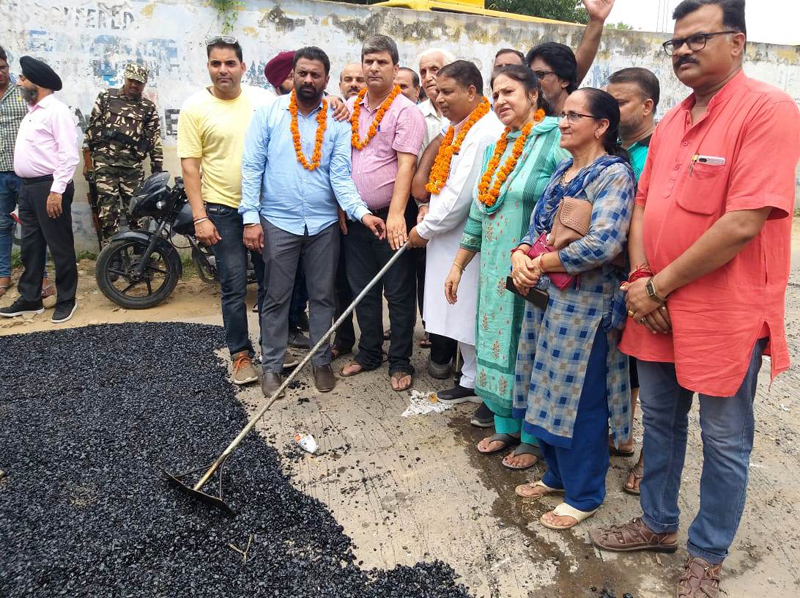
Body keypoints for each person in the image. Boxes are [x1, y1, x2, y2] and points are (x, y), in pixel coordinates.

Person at [589, 1, 800, 596]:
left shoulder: (768, 110)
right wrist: (638, 280)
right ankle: (657, 523)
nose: (681, 50)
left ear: (736, 42)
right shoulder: (676, 120)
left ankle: (707, 555)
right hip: (653, 301)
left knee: (725, 437)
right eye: (675, 42)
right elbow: (641, 204)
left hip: (722, 310)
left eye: (696, 38)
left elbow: (742, 223)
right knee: (659, 421)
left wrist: (656, 285)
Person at [510, 88, 635, 530]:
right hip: (547, 297)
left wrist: (539, 262)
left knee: (580, 399)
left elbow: (605, 243)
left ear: (601, 126)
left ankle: (585, 494)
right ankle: (558, 475)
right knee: (543, 385)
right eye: (563, 115)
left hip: (585, 308)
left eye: (574, 116)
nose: (562, 123)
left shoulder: (614, 176)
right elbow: (536, 226)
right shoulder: (565, 170)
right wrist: (520, 254)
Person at [240, 46, 385, 395]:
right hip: (277, 220)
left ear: (325, 79)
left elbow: (340, 176)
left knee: (323, 297)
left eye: (315, 74)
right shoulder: (269, 114)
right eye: (302, 73)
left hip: (323, 225)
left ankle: (320, 361)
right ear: (292, 74)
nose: (308, 80)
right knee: (276, 296)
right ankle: (272, 366)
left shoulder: (336, 120)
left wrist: (362, 213)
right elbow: (251, 168)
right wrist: (250, 218)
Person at [444, 65, 569, 463]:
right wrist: (459, 265)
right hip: (495, 273)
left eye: (509, 92)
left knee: (528, 349)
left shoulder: (555, 139)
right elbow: (481, 212)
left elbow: (564, 204)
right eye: (495, 94)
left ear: (534, 95)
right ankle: (505, 426)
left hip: (534, 270)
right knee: (496, 344)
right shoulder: (497, 145)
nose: (499, 101)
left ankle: (533, 438)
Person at [178, 36, 277, 386]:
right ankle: (240, 354)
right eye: (216, 64)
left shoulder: (263, 101)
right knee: (234, 286)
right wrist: (200, 216)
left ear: (242, 67)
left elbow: (299, 113)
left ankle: (272, 350)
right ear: (208, 67)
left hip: (266, 210)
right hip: (221, 212)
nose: (223, 70)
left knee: (271, 284)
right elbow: (190, 167)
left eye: (230, 63)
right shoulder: (194, 108)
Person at [407, 60, 504, 403]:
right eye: (436, 92)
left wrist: (426, 227)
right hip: (446, 236)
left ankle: (477, 382)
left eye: (447, 92)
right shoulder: (460, 127)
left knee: (466, 308)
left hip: (464, 239)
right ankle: (470, 377)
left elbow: (461, 196)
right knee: (458, 307)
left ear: (472, 91)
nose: (440, 99)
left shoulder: (485, 131)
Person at [341, 34, 425, 392]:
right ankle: (369, 353)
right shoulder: (348, 107)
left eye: (381, 62)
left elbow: (406, 166)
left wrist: (395, 216)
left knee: (399, 291)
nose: (373, 67)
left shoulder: (407, 111)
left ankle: (401, 360)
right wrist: (345, 207)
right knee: (362, 289)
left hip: (393, 215)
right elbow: (339, 162)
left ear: (394, 66)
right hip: (357, 216)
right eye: (368, 61)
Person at [607, 66, 660, 493]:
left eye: (621, 101)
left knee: (652, 369)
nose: (612, 107)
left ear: (646, 106)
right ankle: (624, 436)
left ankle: (648, 458)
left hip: (649, 276)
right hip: (617, 274)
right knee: (625, 361)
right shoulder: (614, 149)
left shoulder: (659, 151)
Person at [0, 57, 79, 323]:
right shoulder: (33, 111)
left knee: (59, 245)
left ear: (38, 83)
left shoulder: (57, 112)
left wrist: (57, 191)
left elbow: (69, 155)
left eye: (23, 79)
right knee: (31, 247)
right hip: (28, 188)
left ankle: (67, 299)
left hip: (50, 187)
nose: (19, 83)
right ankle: (31, 298)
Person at [83, 63, 163, 243]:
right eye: (131, 80)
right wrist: (88, 164)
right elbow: (91, 131)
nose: (134, 85)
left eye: (139, 82)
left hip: (132, 169)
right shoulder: (106, 97)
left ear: (144, 84)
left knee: (138, 212)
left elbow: (154, 140)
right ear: (125, 78)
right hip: (105, 166)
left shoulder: (148, 107)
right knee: (108, 213)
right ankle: (114, 258)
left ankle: (140, 256)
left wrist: (157, 170)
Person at [0, 45, 52, 301]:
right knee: (2, 225)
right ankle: (3, 275)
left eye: (3, 67)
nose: (1, 73)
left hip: (25, 174)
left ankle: (40, 276)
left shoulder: (22, 93)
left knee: (33, 228)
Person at [526, 0, 616, 115]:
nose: (533, 81)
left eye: (540, 75)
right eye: (530, 75)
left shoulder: (585, 119)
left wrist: (596, 21)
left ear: (564, 81)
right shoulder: (529, 120)